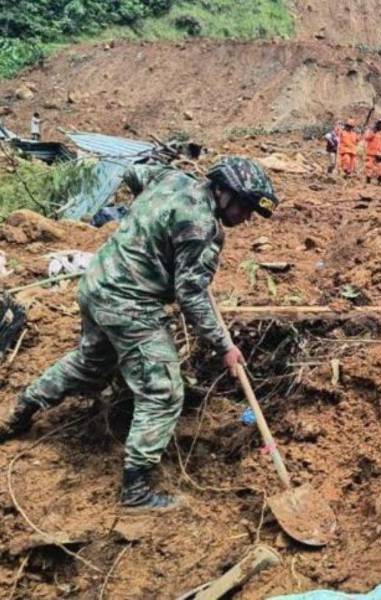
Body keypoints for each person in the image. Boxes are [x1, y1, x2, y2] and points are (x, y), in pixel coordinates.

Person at [0, 157, 279, 511]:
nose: (247, 217)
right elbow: (190, 296)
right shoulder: (202, 228)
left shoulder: (171, 178)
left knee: (91, 363)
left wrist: (150, 224)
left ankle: (19, 412)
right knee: (162, 391)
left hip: (97, 282)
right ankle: (136, 490)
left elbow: (133, 172)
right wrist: (225, 346)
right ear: (224, 191)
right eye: (245, 207)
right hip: (129, 304)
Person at [363, 118, 381, 184]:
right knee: (369, 167)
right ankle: (368, 181)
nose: (380, 125)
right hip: (370, 153)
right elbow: (366, 138)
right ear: (376, 124)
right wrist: (373, 132)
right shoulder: (371, 131)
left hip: (379, 154)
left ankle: (379, 180)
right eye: (379, 123)